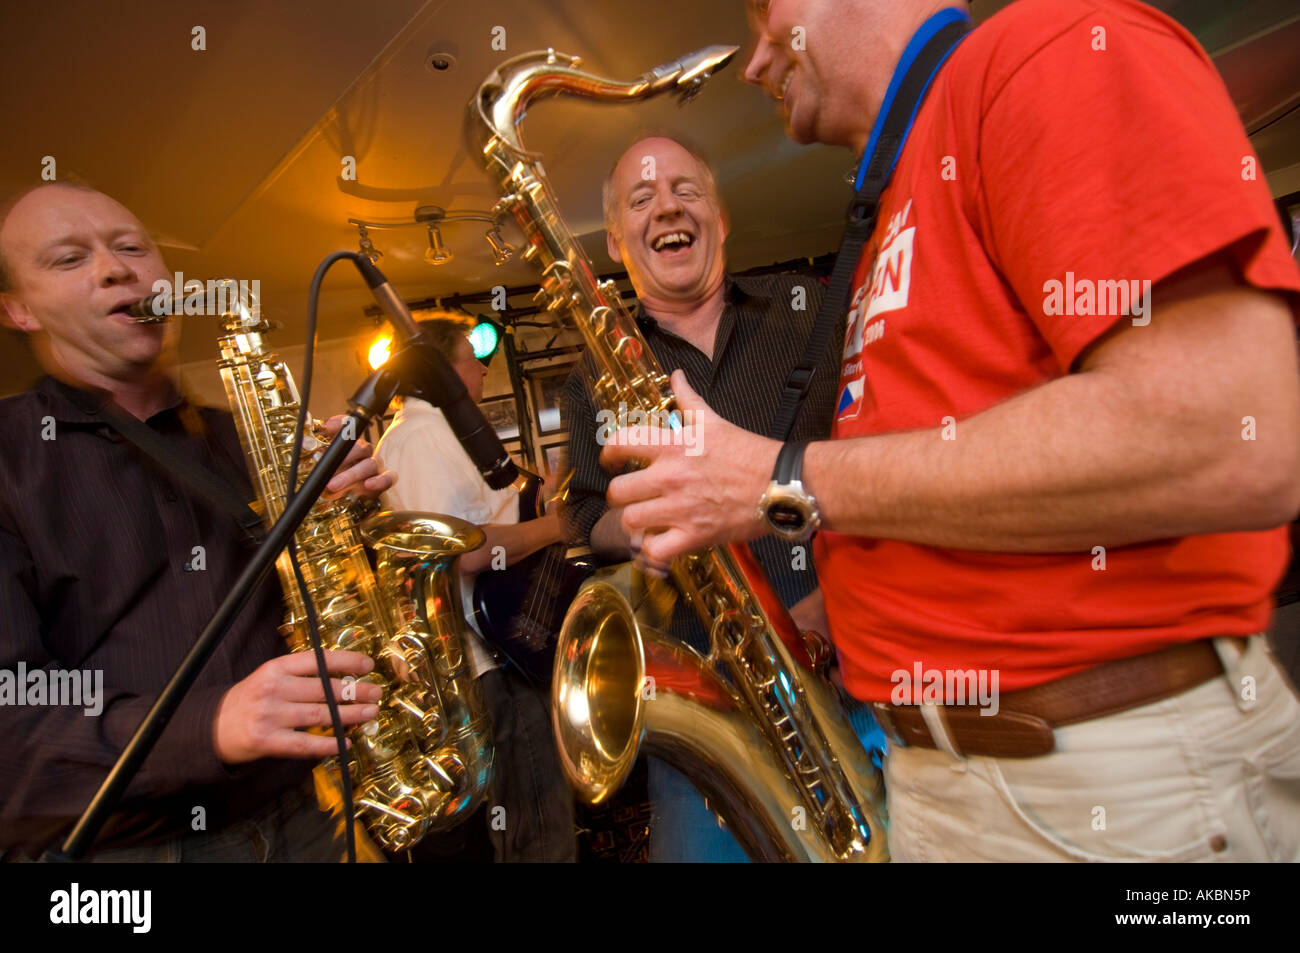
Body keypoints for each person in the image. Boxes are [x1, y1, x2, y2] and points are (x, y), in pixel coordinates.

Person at [601, 0, 1300, 861]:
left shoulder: (1042, 55)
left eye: (762, 14)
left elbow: (1225, 433)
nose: (752, 62)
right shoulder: (899, 189)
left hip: (1103, 782)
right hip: (947, 774)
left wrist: (777, 480)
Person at [0, 181, 394, 862]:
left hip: (314, 812)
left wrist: (347, 520)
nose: (118, 268)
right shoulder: (10, 460)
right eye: (69, 259)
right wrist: (206, 725)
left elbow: (328, 605)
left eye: (132, 247)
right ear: (18, 308)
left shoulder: (245, 439)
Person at [563, 134, 882, 862]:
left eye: (686, 189)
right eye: (641, 199)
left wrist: (837, 597)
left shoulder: (812, 317)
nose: (667, 206)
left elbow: (878, 457)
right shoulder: (588, 380)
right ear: (615, 241)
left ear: (722, 215)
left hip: (854, 668)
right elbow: (583, 513)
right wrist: (634, 527)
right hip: (711, 700)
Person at [374, 316, 575, 862]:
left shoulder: (441, 434)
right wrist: (556, 527)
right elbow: (464, 553)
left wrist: (540, 499)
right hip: (485, 661)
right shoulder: (419, 437)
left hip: (500, 651)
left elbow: (485, 522)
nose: (482, 366)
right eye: (471, 356)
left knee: (536, 817)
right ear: (441, 368)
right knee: (538, 829)